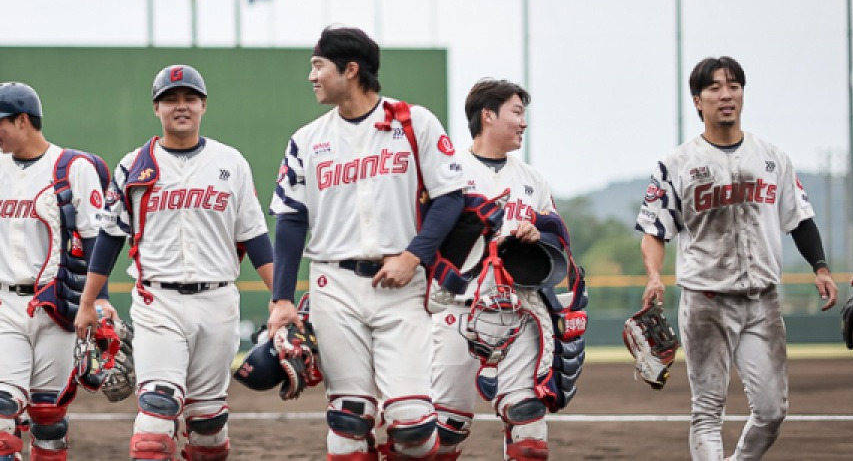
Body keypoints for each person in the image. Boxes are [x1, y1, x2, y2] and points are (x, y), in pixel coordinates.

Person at [268, 26, 467, 461]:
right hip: (333, 286)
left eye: (319, 66)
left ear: (351, 69)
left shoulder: (414, 123)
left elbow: (451, 196)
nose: (312, 76)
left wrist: (416, 256)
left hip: (402, 285)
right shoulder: (307, 140)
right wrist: (281, 298)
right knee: (348, 420)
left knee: (413, 426)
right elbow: (290, 219)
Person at [635, 56, 838, 461]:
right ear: (697, 101)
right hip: (705, 300)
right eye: (714, 87)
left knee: (772, 411)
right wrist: (655, 275)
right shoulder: (677, 164)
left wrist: (821, 268)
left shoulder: (772, 158)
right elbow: (655, 231)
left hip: (762, 300)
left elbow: (799, 219)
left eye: (733, 86)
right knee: (707, 410)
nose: (725, 94)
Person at [74, 64, 276, 461]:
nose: (180, 106)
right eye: (170, 99)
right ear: (156, 108)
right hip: (158, 302)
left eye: (189, 98)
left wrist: (280, 297)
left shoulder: (230, 162)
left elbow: (254, 236)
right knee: (155, 421)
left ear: (203, 105)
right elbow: (110, 239)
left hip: (218, 302)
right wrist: (88, 302)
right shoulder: (134, 165)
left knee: (207, 426)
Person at [430, 79, 579, 461]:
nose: (523, 122)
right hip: (458, 309)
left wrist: (539, 233)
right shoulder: (446, 172)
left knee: (529, 429)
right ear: (488, 115)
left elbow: (557, 243)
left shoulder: (533, 180)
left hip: (520, 312)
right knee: (441, 433)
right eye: (516, 112)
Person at [0, 82, 115, 461]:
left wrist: (99, 301)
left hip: (56, 303)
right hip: (2, 304)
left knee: (48, 416)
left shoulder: (73, 167)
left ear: (22, 120)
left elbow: (95, 238)